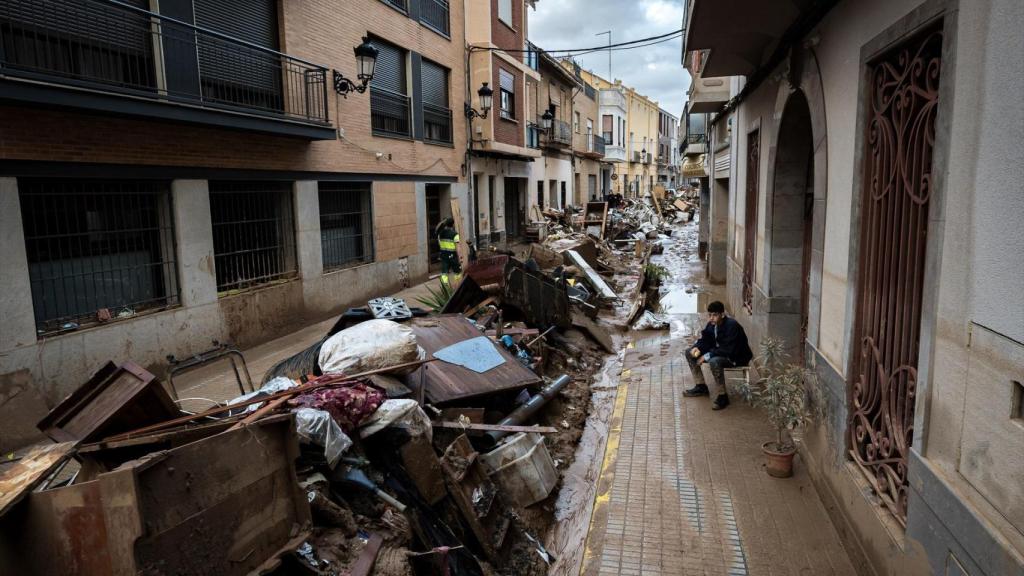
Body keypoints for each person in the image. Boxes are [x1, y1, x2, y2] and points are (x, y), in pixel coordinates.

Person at [684, 301, 753, 410]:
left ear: (722, 314)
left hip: (736, 357)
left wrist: (707, 356)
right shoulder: (711, 325)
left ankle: (723, 396)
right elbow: (705, 340)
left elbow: (729, 350)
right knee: (689, 352)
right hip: (720, 353)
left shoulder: (732, 326)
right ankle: (701, 386)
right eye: (710, 315)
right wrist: (697, 347)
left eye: (715, 315)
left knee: (714, 361)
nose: (711, 318)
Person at [436, 217, 461, 288]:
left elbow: (439, 244)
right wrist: (460, 257)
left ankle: (445, 287)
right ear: (453, 224)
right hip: (453, 256)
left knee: (444, 272)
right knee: (457, 272)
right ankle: (457, 286)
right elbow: (457, 247)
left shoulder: (440, 234)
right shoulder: (455, 234)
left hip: (444, 255)